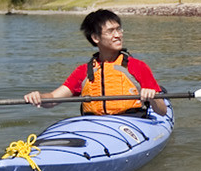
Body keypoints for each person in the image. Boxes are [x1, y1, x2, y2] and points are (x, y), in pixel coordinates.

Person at [23, 9, 168, 116]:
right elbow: (54, 99)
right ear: (95, 37)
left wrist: (153, 97)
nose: (118, 35)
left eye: (119, 29)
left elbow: (162, 111)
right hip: (94, 124)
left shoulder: (137, 66)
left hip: (131, 121)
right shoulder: (83, 71)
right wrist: (39, 97)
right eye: (111, 31)